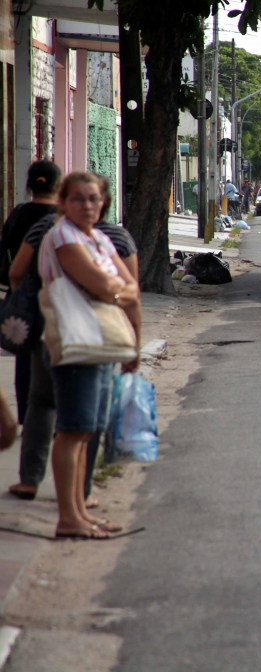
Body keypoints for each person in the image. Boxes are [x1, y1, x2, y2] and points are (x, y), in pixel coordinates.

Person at [6, 179, 139, 507]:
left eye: (94, 199)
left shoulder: (100, 238)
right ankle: (73, 506)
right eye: (78, 199)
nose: (87, 205)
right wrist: (111, 290)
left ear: (104, 202)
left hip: (97, 338)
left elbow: (129, 288)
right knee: (74, 425)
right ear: (62, 201)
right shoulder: (63, 234)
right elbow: (116, 288)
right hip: (71, 335)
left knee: (79, 422)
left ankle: (65, 496)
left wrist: (115, 292)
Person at [0, 160, 61, 425]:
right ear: (59, 185)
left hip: (24, 294)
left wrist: (17, 296)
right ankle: (58, 415)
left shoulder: (18, 214)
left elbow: (9, 259)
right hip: (57, 296)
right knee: (57, 355)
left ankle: (26, 415)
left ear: (30, 185)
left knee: (25, 354)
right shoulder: (62, 219)